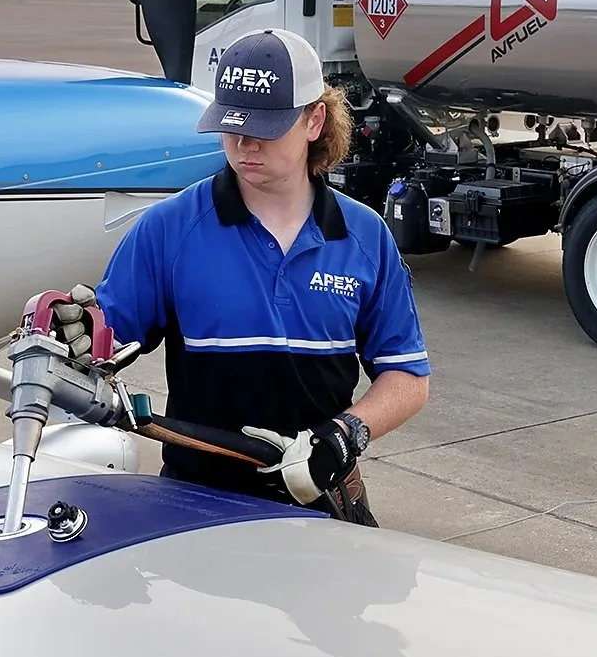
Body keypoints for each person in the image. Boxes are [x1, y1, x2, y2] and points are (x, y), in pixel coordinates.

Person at [56, 28, 430, 523]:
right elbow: (103, 339)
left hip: (319, 505)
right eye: (232, 126)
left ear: (314, 120)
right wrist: (73, 331)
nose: (244, 144)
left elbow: (407, 376)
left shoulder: (364, 236)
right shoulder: (168, 229)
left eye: (265, 128)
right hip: (193, 507)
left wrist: (345, 435)